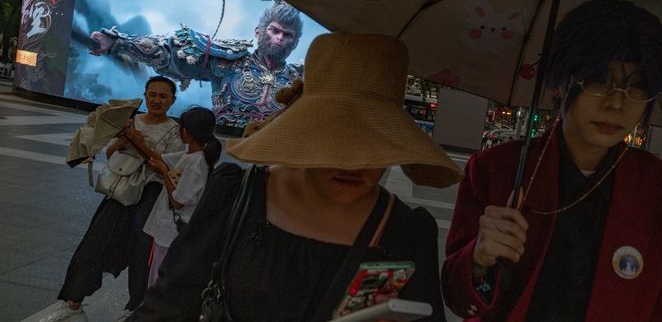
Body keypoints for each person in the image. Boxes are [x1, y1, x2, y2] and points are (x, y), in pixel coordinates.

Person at [127, 33, 463, 321]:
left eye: (374, 144)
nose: (354, 165)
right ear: (306, 132)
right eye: (336, 140)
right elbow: (169, 302)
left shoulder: (404, 232)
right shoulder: (236, 196)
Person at [442, 0, 662, 321]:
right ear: (560, 82)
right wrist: (478, 257)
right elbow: (457, 298)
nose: (617, 104)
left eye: (638, 87)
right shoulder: (495, 170)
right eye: (600, 81)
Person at [41, 76, 185, 322]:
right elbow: (110, 154)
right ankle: (73, 304)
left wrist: (139, 143)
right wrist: (122, 138)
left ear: (173, 100)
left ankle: (135, 309)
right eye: (152, 94)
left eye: (163, 96)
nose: (156, 100)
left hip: (149, 196)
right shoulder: (133, 120)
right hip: (119, 192)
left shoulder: (175, 131)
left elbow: (165, 166)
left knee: (141, 253)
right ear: (145, 94)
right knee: (93, 244)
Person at [89, 1, 304, 129]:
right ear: (259, 32)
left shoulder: (299, 79)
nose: (279, 38)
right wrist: (118, 42)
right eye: (274, 30)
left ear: (295, 41)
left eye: (287, 34)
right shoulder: (230, 61)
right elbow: (168, 53)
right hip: (222, 145)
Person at [143, 106, 222, 287]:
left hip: (172, 231)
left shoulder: (196, 162)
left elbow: (178, 202)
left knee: (158, 279)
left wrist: (164, 172)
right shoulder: (192, 155)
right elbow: (160, 158)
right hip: (170, 229)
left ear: (184, 132)